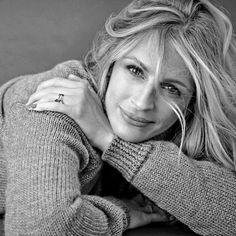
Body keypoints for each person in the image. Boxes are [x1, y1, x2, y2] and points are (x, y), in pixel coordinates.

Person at [0, 0, 236, 235]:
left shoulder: (178, 129)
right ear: (112, 62)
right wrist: (122, 211)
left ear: (191, 102)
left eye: (171, 88)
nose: (143, 102)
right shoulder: (56, 99)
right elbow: (41, 229)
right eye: (135, 70)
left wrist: (113, 142)